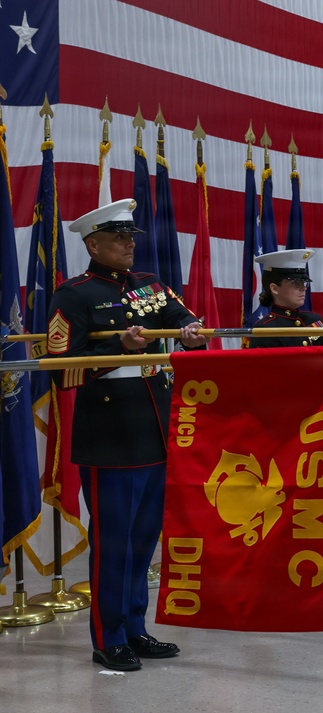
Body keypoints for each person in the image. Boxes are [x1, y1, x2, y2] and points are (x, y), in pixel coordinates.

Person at [47, 199, 207, 672]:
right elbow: (61, 372)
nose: (129, 245)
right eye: (119, 238)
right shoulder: (73, 295)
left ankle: (136, 628)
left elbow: (183, 319)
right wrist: (120, 347)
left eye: (132, 237)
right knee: (114, 542)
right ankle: (107, 637)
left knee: (142, 541)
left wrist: (191, 332)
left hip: (155, 427)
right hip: (111, 435)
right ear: (92, 243)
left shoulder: (151, 285)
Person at [247, 248, 323, 534]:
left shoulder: (311, 318)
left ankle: (319, 516)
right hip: (286, 415)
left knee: (319, 467)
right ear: (274, 288)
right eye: (295, 283)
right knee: (291, 471)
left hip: (318, 409)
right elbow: (267, 378)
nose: (302, 289)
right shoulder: (266, 328)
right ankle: (289, 521)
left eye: (304, 283)